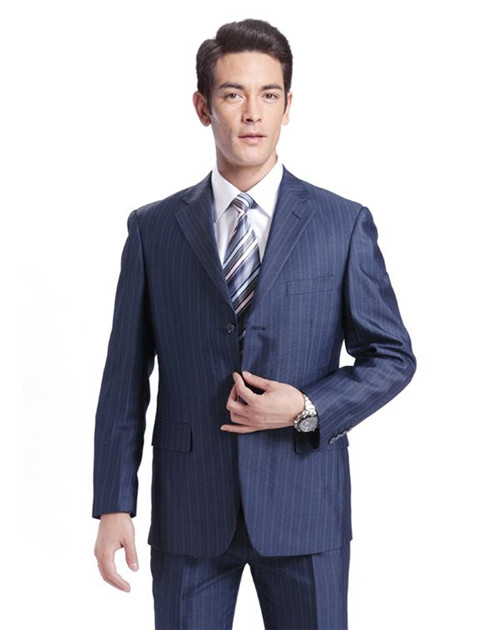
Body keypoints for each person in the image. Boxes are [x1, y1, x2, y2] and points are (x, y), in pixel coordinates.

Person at [92, 18, 417, 630]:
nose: (251, 113)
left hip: (305, 507)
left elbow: (392, 357)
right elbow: (124, 378)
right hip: (190, 509)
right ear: (202, 106)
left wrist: (307, 408)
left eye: (269, 95)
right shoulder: (153, 230)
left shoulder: (341, 224)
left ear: (288, 106)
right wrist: (114, 504)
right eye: (232, 94)